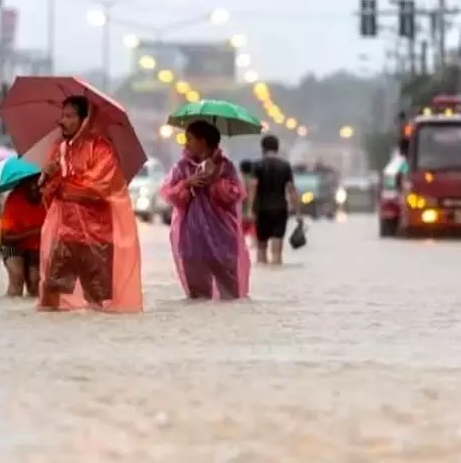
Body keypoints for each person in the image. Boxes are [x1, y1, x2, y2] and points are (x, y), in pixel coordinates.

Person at [37, 95, 143, 313]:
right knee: (50, 298)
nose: (63, 121)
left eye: (69, 116)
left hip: (97, 238)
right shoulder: (60, 149)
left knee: (100, 303)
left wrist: (64, 184)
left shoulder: (102, 150)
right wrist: (46, 177)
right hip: (65, 235)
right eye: (62, 116)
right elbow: (49, 194)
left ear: (84, 119)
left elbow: (98, 187)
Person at [160, 121, 250, 300]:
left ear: (202, 141)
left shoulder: (226, 167)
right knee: (198, 298)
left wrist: (215, 181)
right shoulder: (182, 167)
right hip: (191, 240)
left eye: (190, 139)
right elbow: (168, 194)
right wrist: (187, 183)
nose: (186, 144)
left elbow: (235, 195)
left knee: (230, 296)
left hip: (223, 239)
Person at [251, 134, 301, 265]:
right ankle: (276, 266)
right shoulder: (285, 166)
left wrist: (250, 209)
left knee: (261, 246)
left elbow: (253, 188)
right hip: (280, 209)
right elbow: (291, 189)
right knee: (277, 246)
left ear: (263, 148)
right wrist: (298, 212)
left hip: (261, 208)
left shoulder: (257, 165)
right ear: (277, 148)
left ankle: (264, 268)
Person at [0, 180, 46, 297]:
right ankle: (11, 310)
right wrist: (34, 232)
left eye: (41, 188)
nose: (37, 192)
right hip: (12, 246)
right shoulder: (14, 201)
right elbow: (5, 238)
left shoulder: (49, 200)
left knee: (35, 283)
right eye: (33, 188)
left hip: (36, 248)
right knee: (17, 277)